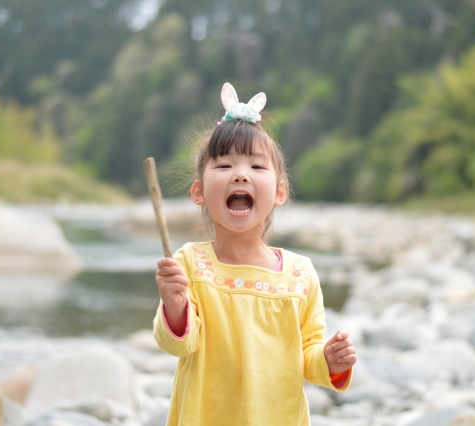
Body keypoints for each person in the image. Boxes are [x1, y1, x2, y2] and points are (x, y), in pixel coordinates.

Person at [153, 82, 357, 426]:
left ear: (279, 192)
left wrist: (331, 360)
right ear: (199, 192)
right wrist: (174, 307)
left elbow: (308, 356)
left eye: (257, 167)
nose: (241, 175)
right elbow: (178, 346)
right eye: (224, 166)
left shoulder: (299, 273)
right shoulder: (190, 263)